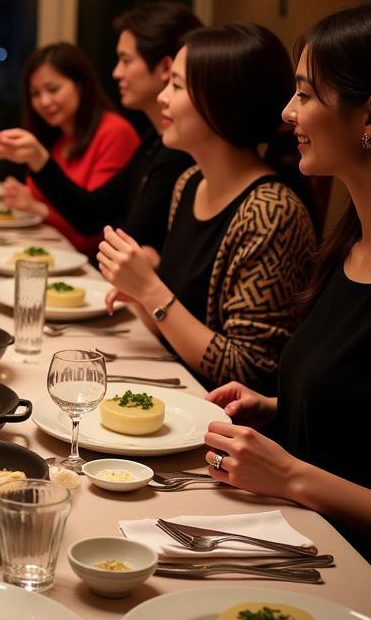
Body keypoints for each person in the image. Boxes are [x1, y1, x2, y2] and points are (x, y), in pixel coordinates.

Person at [200, 2, 371, 582]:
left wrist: (290, 476)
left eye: (306, 95)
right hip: (301, 541)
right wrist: (278, 409)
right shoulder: (351, 246)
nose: (288, 114)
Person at [96, 23, 316, 392]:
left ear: (221, 101)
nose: (163, 98)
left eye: (177, 86)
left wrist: (152, 291)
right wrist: (142, 296)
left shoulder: (271, 212)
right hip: (177, 392)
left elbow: (250, 369)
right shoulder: (190, 182)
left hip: (219, 425)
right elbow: (183, 325)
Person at [0, 1, 200, 253]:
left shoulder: (179, 151)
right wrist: (37, 157)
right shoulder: (154, 141)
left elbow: (107, 231)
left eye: (125, 61)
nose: (116, 73)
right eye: (35, 93)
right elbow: (91, 214)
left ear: (165, 68)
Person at [0, 42, 140, 254]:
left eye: (53, 89)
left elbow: (94, 235)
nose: (44, 101)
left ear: (80, 85)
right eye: (35, 93)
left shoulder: (114, 132)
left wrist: (37, 209)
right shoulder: (58, 137)